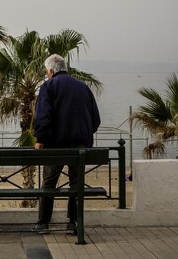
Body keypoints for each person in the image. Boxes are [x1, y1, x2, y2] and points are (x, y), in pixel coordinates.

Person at [31, 54, 101, 235]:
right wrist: (84, 134)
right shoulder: (83, 87)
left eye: (47, 72)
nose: (47, 75)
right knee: (76, 183)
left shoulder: (49, 86)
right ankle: (73, 222)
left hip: (56, 145)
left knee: (49, 181)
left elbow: (43, 116)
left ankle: (44, 222)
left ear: (52, 71)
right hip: (80, 145)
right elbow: (95, 119)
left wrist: (40, 139)